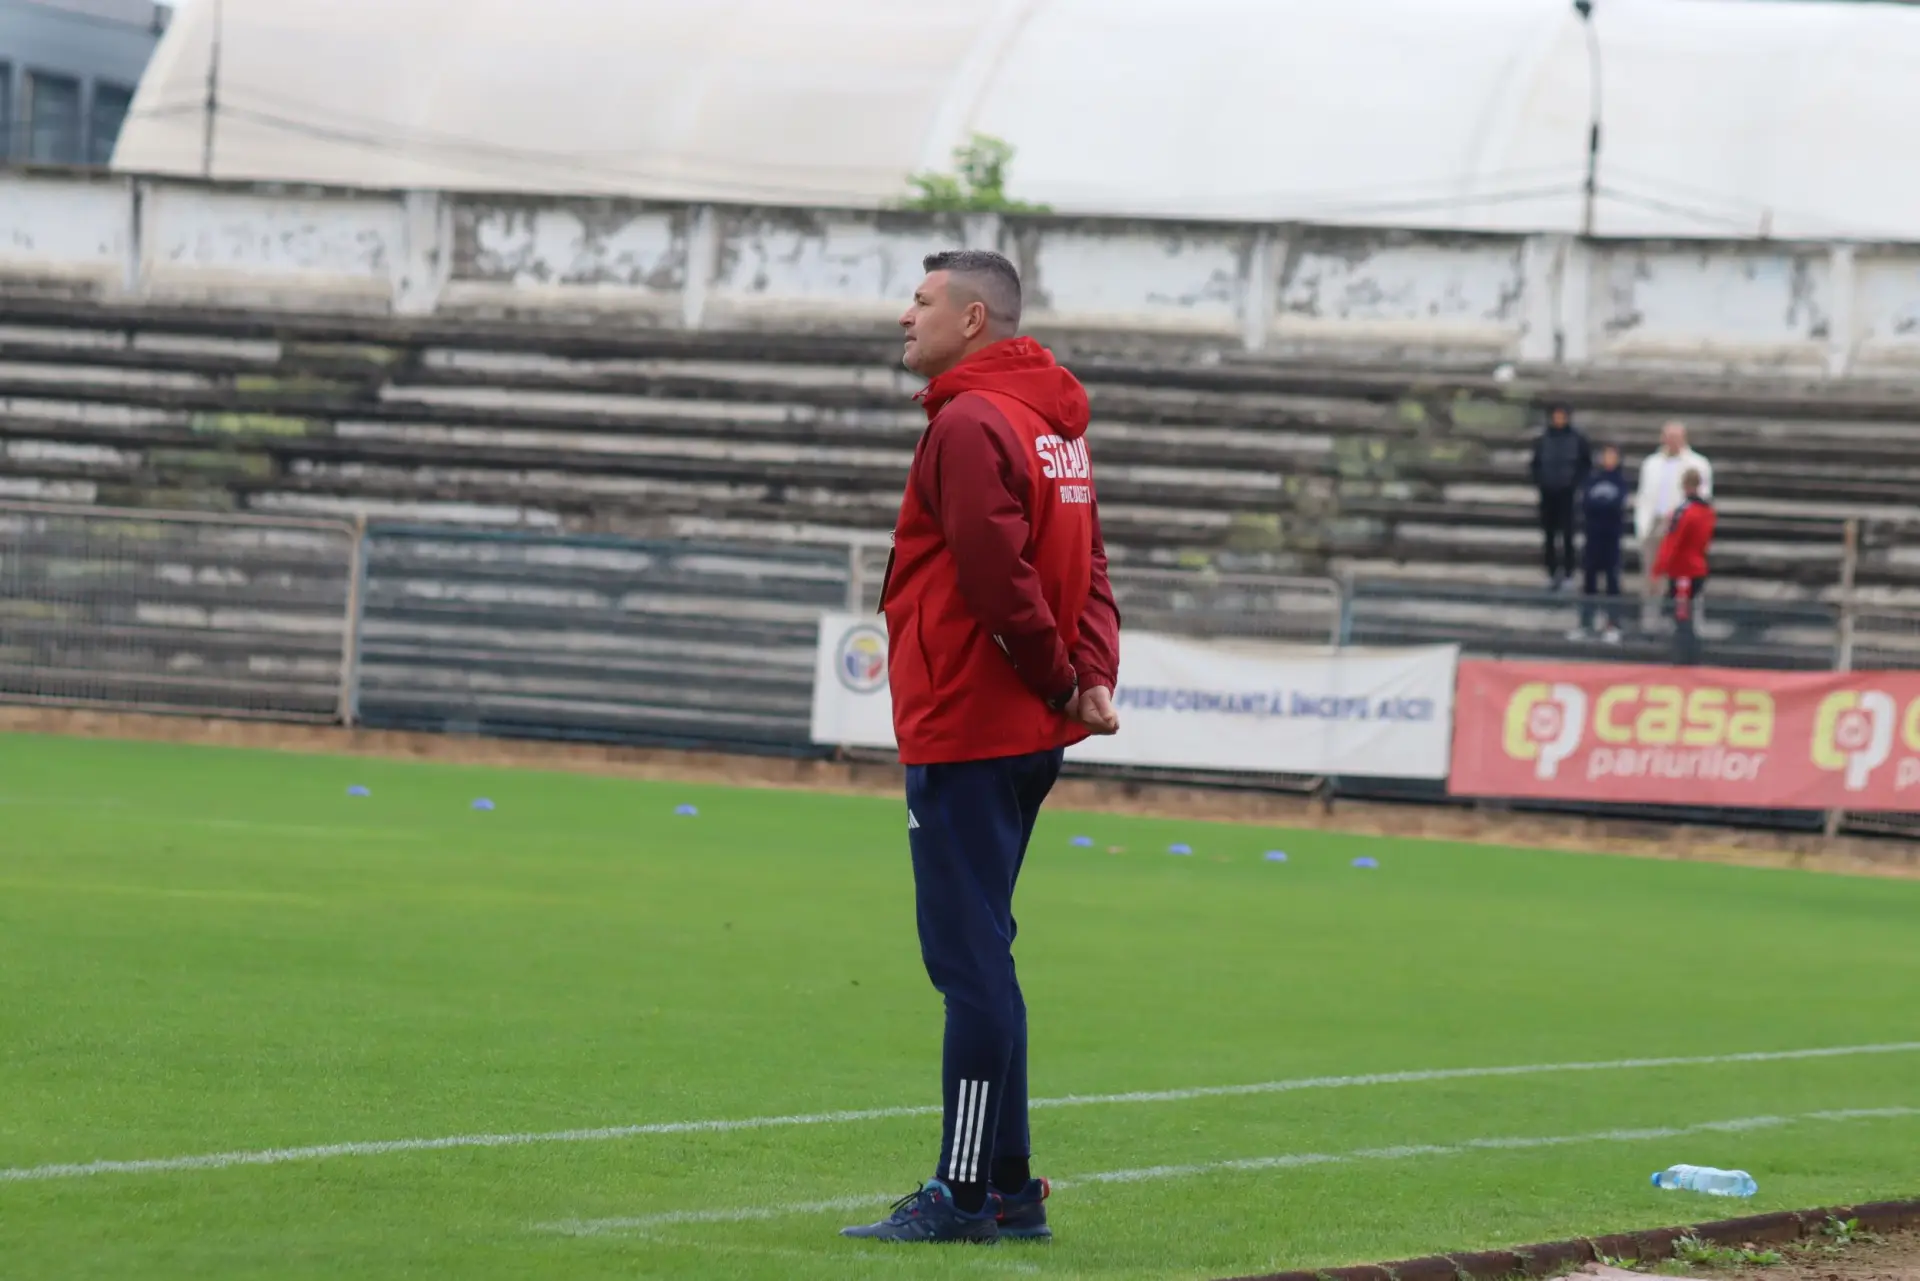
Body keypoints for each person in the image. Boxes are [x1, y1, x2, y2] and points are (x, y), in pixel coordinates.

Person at [842, 249, 1122, 1245]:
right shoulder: (1053, 425)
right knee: (987, 954)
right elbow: (1090, 567)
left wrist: (1057, 676)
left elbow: (1000, 580)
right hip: (1023, 727)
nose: (903, 316)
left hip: (970, 720)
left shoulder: (969, 423)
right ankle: (1008, 1185)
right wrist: (1089, 675)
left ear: (971, 320)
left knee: (967, 964)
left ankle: (962, 1193)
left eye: (920, 301)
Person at [1634, 421, 1713, 630]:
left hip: (1683, 524)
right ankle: (1650, 622)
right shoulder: (1651, 463)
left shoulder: (1698, 463)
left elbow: (1704, 497)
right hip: (1655, 522)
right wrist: (1642, 527)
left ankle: (1690, 623)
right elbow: (1644, 496)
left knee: (1685, 578)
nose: (1672, 441)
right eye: (1668, 437)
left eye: (1676, 437)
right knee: (1651, 577)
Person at [1654, 468, 1715, 664]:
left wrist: (1659, 568)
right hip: (1699, 567)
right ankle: (1688, 653)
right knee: (1688, 612)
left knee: (1681, 614)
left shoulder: (1683, 512)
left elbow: (1672, 541)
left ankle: (1684, 655)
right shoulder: (1708, 511)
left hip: (1683, 570)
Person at [1530, 402, 1592, 591]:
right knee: (1549, 535)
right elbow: (1535, 463)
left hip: (1568, 494)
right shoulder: (1543, 438)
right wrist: (1541, 482)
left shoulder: (1577, 438)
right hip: (1548, 493)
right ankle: (1551, 572)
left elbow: (1585, 464)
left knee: (1567, 535)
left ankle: (1568, 573)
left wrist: (1575, 484)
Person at [1570, 444, 1628, 644]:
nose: (1608, 459)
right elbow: (1586, 503)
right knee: (1589, 583)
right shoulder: (1592, 479)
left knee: (1612, 583)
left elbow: (1616, 505)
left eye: (1612, 456)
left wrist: (1602, 506)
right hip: (1592, 537)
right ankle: (1586, 624)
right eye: (1606, 456)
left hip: (1611, 539)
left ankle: (1613, 624)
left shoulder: (1620, 481)